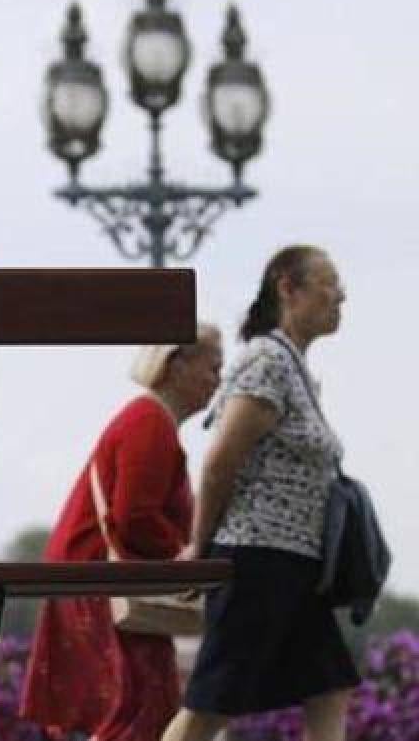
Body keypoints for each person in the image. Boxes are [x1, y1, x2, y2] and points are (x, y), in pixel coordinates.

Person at [162, 246, 357, 741]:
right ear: (288, 288)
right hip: (258, 558)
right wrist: (198, 545)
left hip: (296, 562)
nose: (341, 296)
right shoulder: (268, 360)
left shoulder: (294, 367)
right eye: (329, 284)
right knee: (211, 705)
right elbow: (220, 460)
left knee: (329, 689)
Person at [20, 324, 224, 741]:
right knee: (139, 706)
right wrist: (187, 558)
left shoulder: (149, 419)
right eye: (212, 367)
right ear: (177, 364)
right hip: (100, 583)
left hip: (92, 580)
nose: (217, 381)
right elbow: (134, 518)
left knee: (134, 704)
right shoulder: (149, 422)